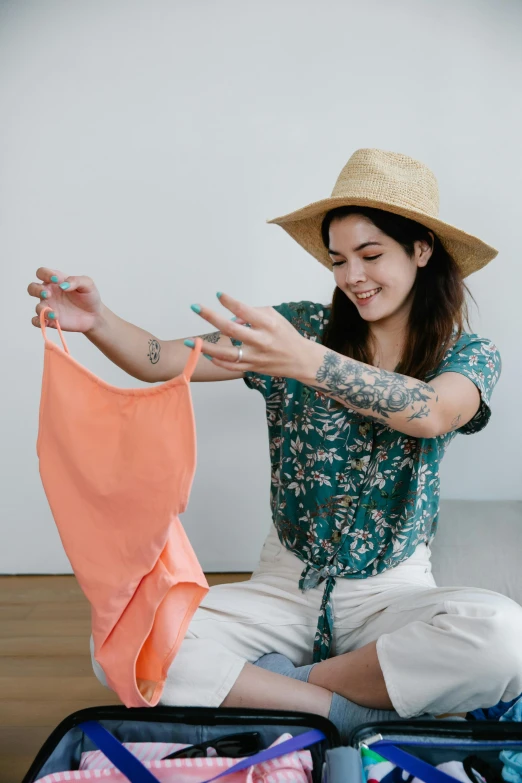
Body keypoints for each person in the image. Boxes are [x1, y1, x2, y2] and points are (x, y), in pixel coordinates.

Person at [28, 149, 522, 739]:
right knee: (121, 639)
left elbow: (434, 413)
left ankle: (278, 686)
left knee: (502, 636)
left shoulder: (467, 353)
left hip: (391, 591)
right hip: (283, 585)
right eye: (339, 260)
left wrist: (306, 362)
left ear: (421, 251)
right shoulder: (297, 328)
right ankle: (344, 711)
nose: (352, 277)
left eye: (370, 255)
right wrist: (99, 319)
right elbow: (159, 359)